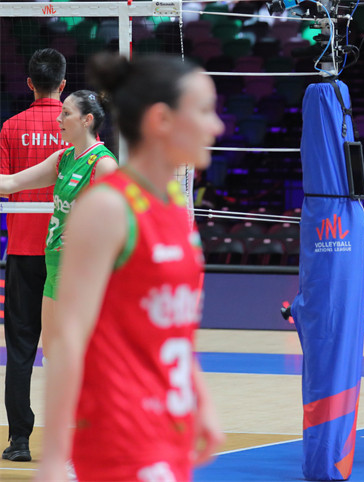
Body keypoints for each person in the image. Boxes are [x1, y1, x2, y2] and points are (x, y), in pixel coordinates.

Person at [34, 53, 225, 482]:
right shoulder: (107, 208)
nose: (217, 126)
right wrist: (53, 461)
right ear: (161, 120)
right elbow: (67, 342)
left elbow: (174, 330)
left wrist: (202, 401)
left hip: (171, 429)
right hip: (122, 436)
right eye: (203, 111)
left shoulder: (173, 202)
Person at [0, 89, 118, 364]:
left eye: (66, 113)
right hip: (53, 266)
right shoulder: (63, 159)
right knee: (53, 357)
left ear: (87, 120)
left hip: (78, 270)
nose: (58, 119)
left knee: (76, 358)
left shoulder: (104, 165)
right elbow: (10, 183)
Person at [0, 48, 67, 462]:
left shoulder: (10, 127)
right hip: (66, 255)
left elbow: (3, 184)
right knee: (67, 350)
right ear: (63, 84)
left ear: (29, 83)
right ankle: (65, 439)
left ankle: (19, 441)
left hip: (23, 252)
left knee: (20, 349)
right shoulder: (78, 129)